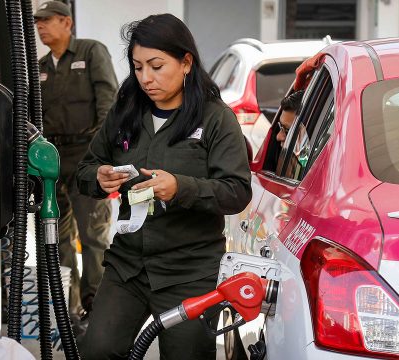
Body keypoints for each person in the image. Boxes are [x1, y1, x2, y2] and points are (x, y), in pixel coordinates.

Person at [76, 13, 252, 359]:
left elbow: (236, 191)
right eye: (138, 67)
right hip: (128, 266)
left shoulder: (216, 118)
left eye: (156, 66)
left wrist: (181, 187)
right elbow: (85, 169)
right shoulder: (125, 112)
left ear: (186, 62)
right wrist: (98, 177)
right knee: (97, 349)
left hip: (190, 272)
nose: (145, 78)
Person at [34, 0, 118, 323]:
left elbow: (108, 103)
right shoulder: (40, 65)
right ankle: (65, 307)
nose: (40, 27)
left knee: (93, 234)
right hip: (51, 159)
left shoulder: (91, 52)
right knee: (56, 234)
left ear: (67, 23)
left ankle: (95, 306)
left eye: (47, 21)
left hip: (87, 155)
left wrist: (100, 154)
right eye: (37, 22)